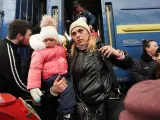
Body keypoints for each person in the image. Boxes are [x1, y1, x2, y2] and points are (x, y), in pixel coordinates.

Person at [51, 19, 133, 120]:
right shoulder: (70, 56)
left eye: (81, 31)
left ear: (88, 32)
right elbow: (62, 81)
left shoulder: (101, 48)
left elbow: (128, 65)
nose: (78, 35)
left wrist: (119, 54)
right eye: (73, 33)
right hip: (85, 107)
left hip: (106, 103)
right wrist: (54, 90)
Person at [27, 15, 76, 120]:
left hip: (62, 74)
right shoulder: (39, 52)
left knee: (69, 87)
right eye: (46, 40)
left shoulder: (60, 47)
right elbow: (34, 69)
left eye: (51, 40)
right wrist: (33, 87)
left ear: (56, 39)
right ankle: (66, 114)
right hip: (51, 76)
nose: (48, 42)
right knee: (67, 89)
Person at [0, 19, 32, 98]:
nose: (31, 38)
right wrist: (39, 93)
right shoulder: (8, 52)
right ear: (19, 36)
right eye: (29, 35)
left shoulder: (4, 45)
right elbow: (17, 84)